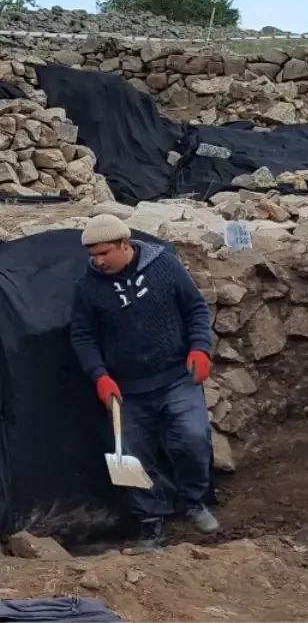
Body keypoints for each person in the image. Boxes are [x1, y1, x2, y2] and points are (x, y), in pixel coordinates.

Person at [69, 214, 218, 553]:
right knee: (132, 459)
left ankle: (195, 501)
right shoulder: (88, 288)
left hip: (176, 377)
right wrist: (99, 375)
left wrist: (199, 350)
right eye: (93, 254)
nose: (98, 260)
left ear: (125, 244)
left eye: (105, 252)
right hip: (127, 389)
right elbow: (83, 336)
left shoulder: (165, 266)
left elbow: (195, 309)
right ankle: (151, 524)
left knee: (194, 438)